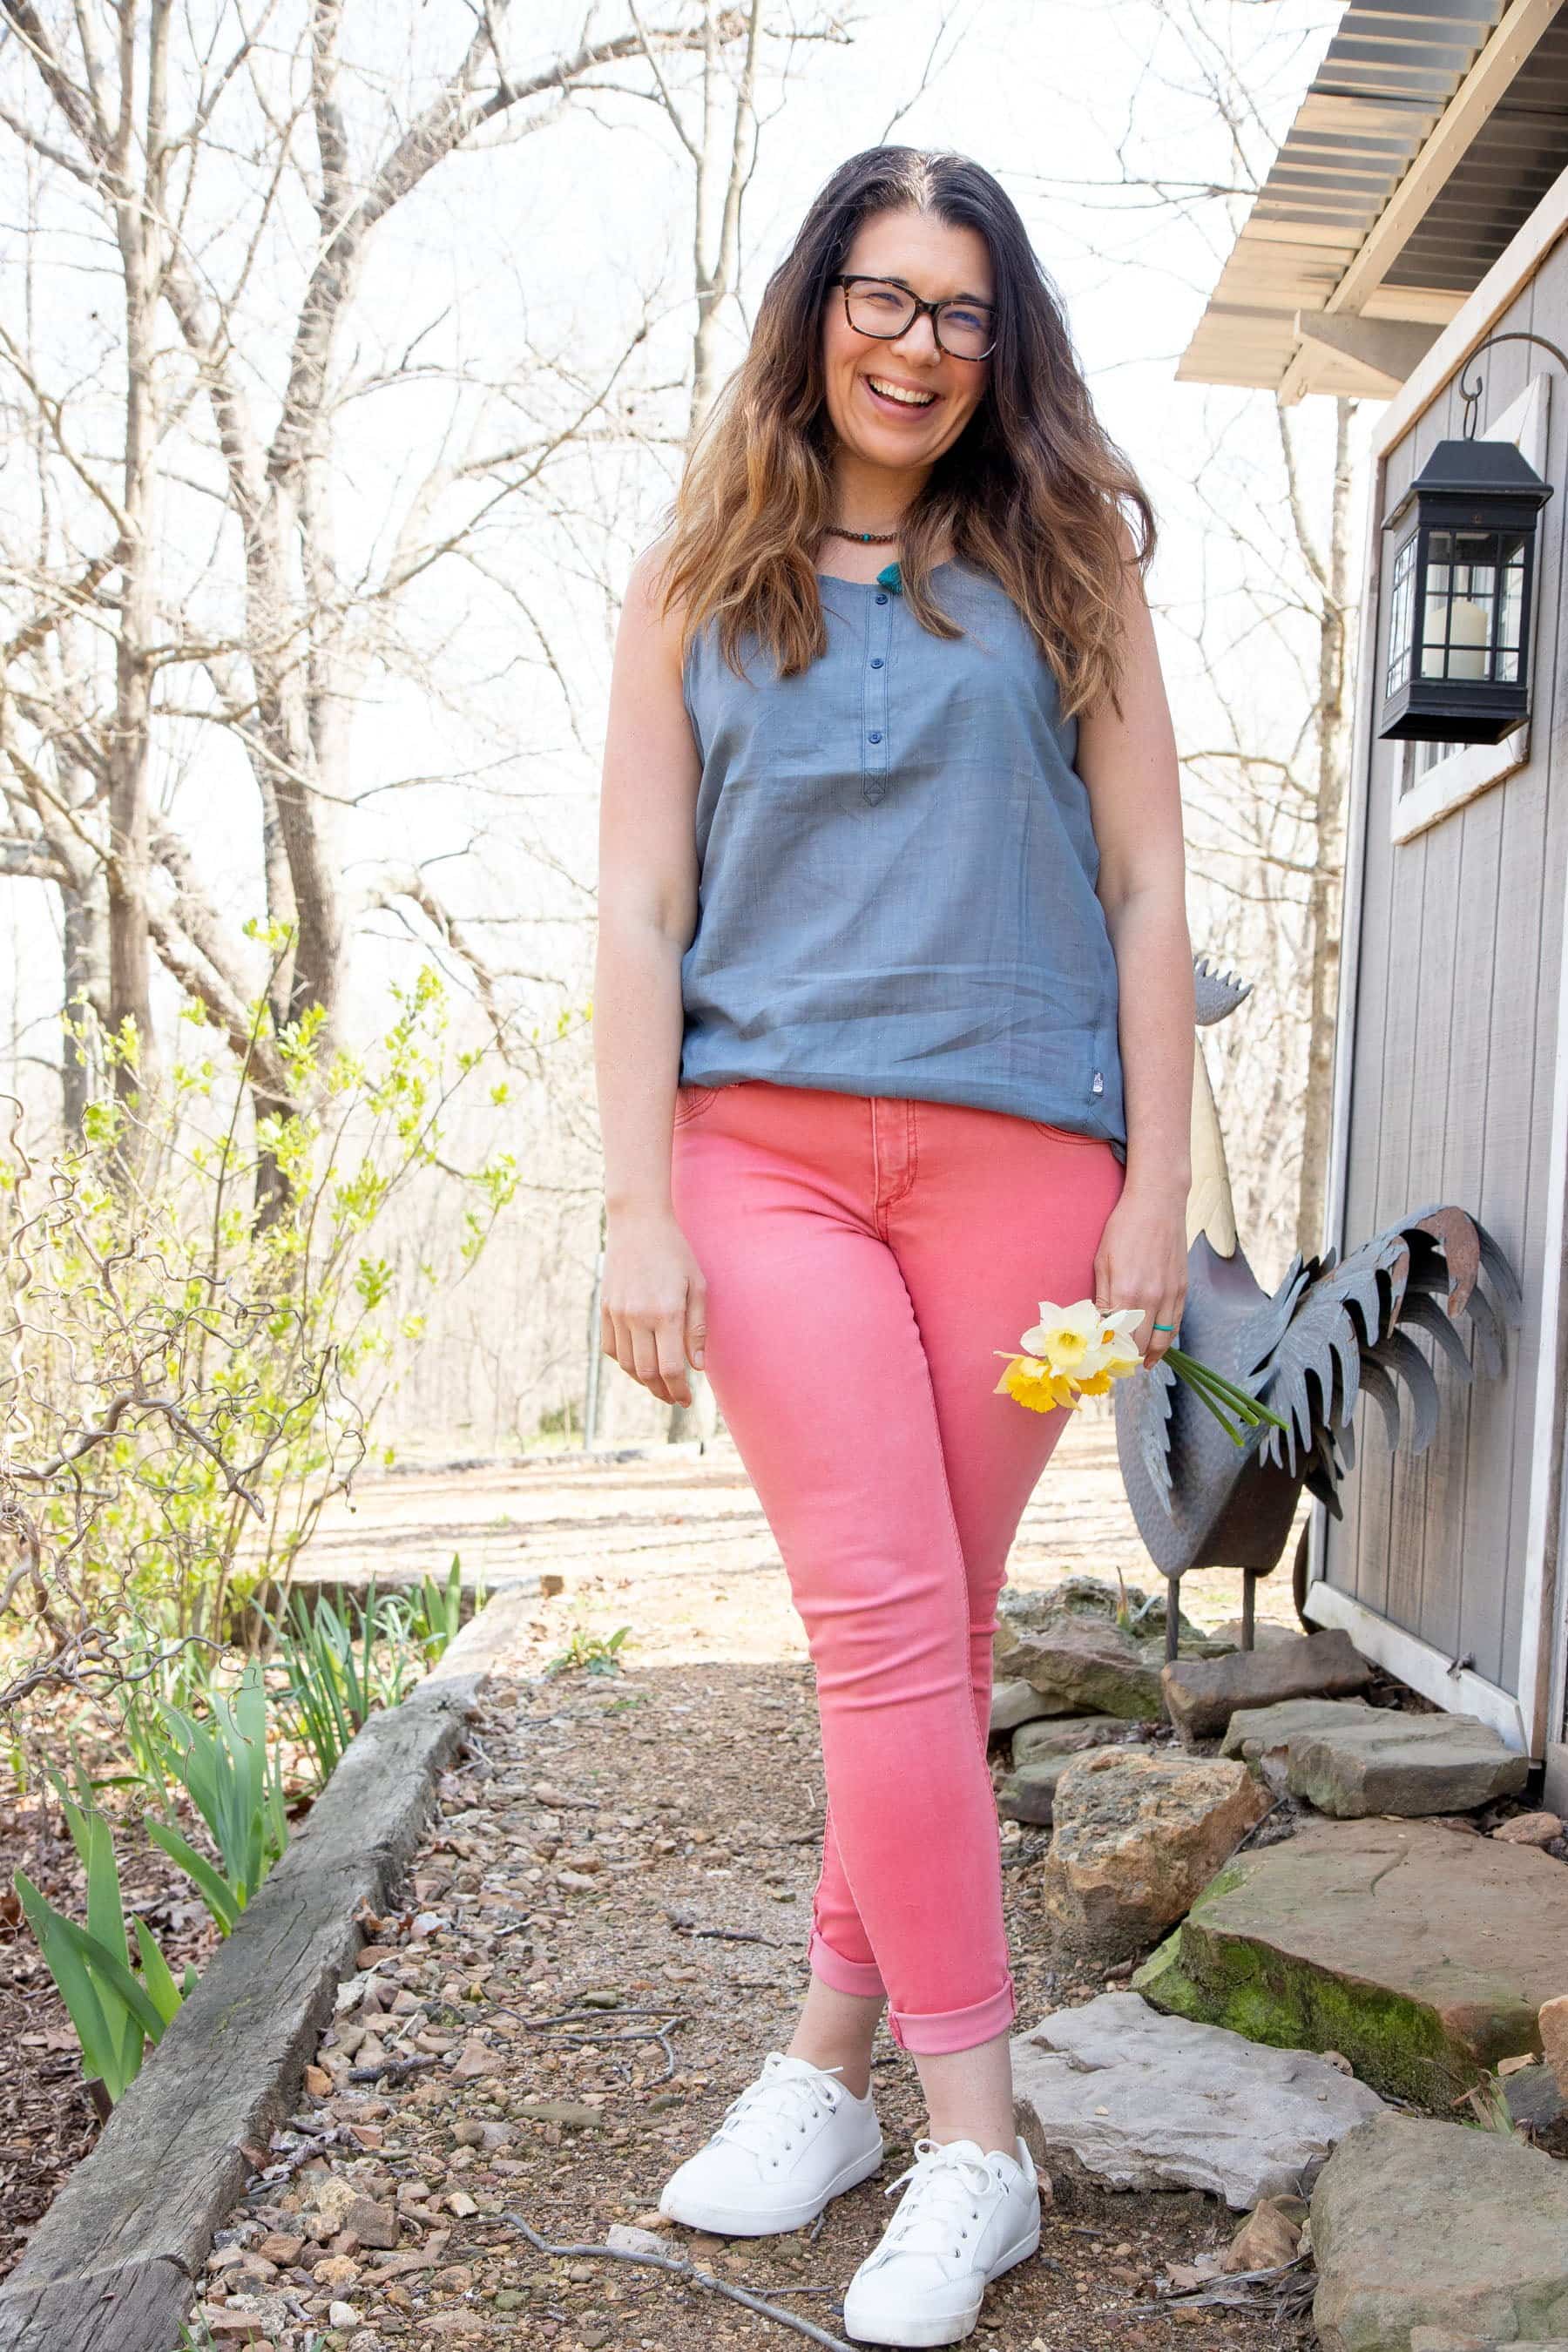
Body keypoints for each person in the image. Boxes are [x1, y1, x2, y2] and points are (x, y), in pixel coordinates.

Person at [591, 144, 1193, 2349]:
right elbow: (644, 906)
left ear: (1000, 336)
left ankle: (841, 2075)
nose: (915, 342)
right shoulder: (697, 576)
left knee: (919, 1630)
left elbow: (1145, 889)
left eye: (959, 309)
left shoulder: (1068, 567)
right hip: (760, 1156)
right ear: (813, 303)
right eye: (881, 294)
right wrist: (635, 1198)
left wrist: (1162, 1184)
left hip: (1027, 1153)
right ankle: (985, 2139)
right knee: (879, 1622)